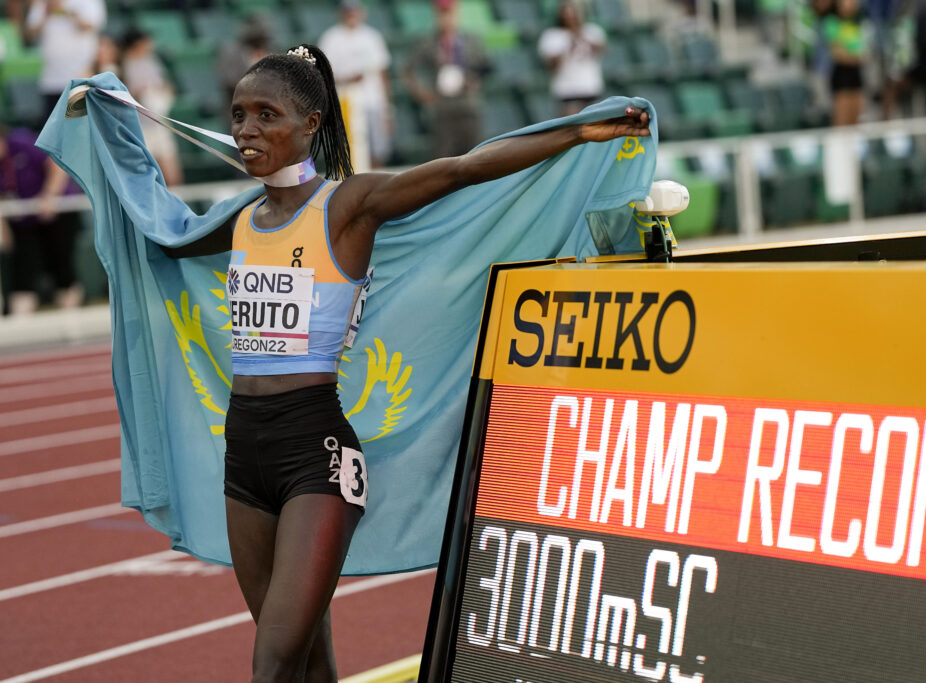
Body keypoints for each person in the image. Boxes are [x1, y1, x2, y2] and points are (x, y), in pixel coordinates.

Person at [157, 43, 648, 681]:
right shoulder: (242, 220)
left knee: (272, 663)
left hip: (315, 452)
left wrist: (578, 131)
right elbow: (161, 235)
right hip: (242, 450)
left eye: (266, 115)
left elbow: (461, 171)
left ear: (310, 124)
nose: (247, 130)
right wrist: (109, 126)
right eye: (238, 115)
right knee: (307, 663)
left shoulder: (347, 206)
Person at [0, 125, 83, 314]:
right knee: (23, 272)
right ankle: (21, 328)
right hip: (23, 221)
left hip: (58, 212)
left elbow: (56, 164)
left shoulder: (21, 142)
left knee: (62, 266)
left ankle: (70, 321)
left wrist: (49, 196)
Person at [401, 0, 491, 158]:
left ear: (457, 14)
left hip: (468, 106)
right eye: (442, 14)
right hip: (442, 109)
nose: (446, 18)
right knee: (442, 159)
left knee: (476, 158)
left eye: (449, 13)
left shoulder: (471, 40)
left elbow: (486, 67)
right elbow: (408, 70)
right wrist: (421, 93)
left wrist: (473, 80)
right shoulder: (428, 42)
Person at [319, 0, 393, 170]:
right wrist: (348, 79)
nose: (351, 15)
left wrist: (387, 109)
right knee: (351, 151)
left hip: (372, 102)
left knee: (376, 151)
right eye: (348, 11)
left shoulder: (372, 37)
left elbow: (382, 75)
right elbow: (325, 75)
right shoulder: (331, 38)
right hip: (346, 104)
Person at [24, 0, 106, 127]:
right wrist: (47, 11)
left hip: (79, 77)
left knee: (77, 129)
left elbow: (90, 25)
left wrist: (66, 9)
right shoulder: (42, 2)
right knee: (53, 132)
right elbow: (30, 35)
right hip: (50, 78)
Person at [120, 27, 183, 185]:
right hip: (139, 127)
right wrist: (138, 94)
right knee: (149, 177)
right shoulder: (123, 65)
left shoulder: (152, 62)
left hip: (159, 123)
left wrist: (165, 92)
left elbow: (166, 85)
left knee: (172, 177)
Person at [538, 0, 607, 116]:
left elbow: (602, 49)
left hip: (591, 88)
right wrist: (567, 48)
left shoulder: (591, 31)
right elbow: (551, 65)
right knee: (571, 129)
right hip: (567, 91)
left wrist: (582, 37)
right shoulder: (552, 36)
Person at [823, 0, 865, 126]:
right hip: (842, 77)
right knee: (842, 124)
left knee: (855, 122)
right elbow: (839, 54)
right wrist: (855, 57)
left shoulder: (857, 23)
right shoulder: (831, 23)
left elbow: (864, 51)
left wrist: (856, 57)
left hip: (856, 76)